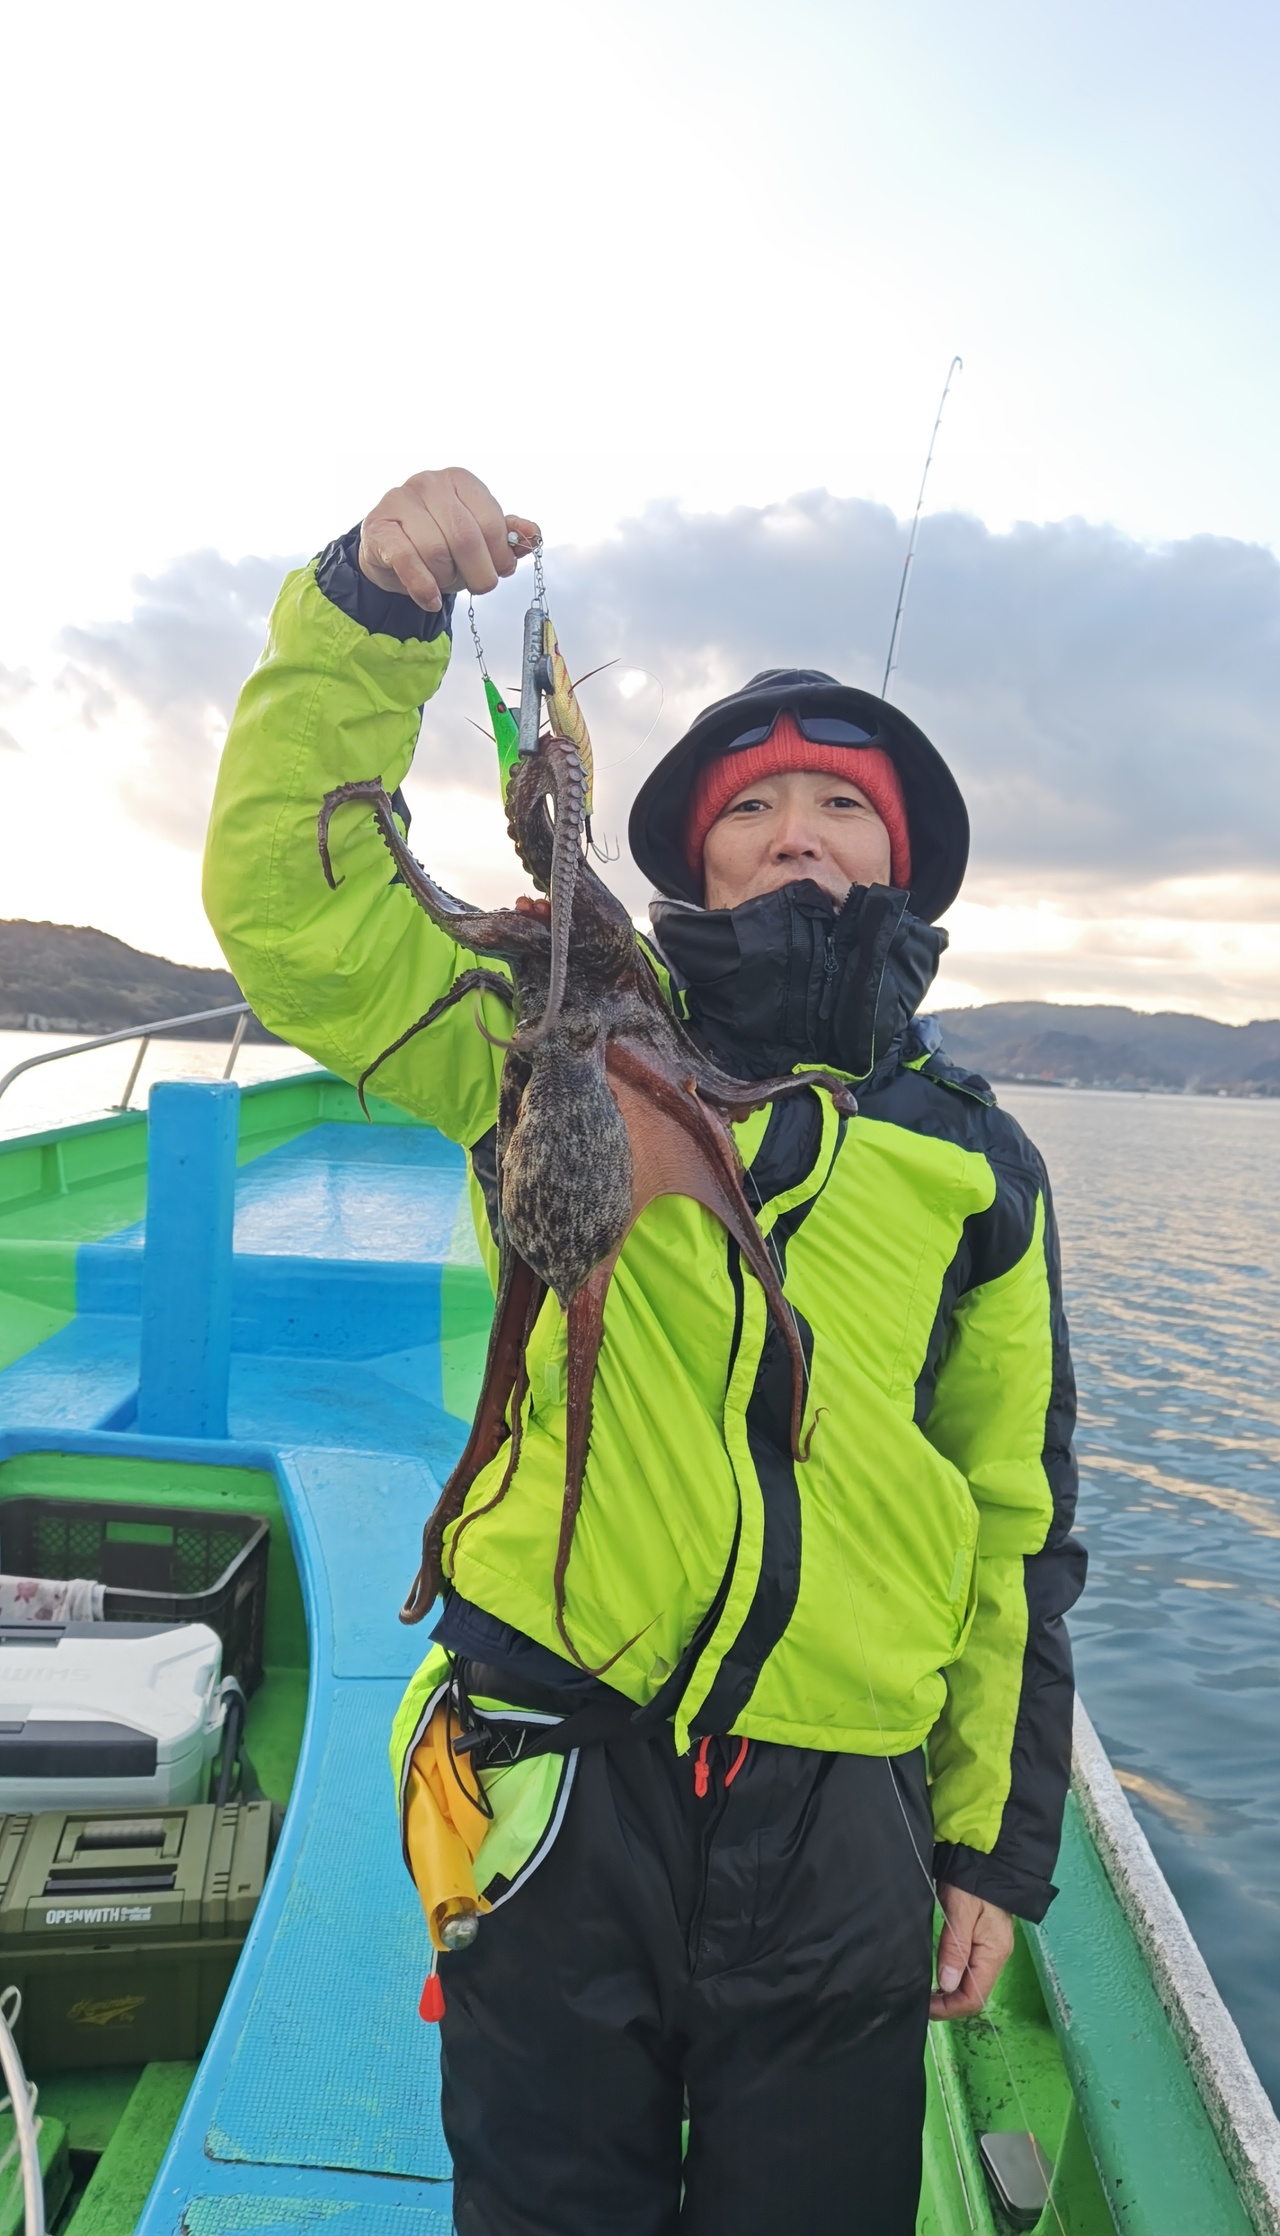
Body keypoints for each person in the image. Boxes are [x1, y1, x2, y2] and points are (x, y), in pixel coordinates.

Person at [204, 465, 1085, 2236]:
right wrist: (370, 616)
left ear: (903, 857)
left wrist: (988, 1843)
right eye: (754, 805)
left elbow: (1013, 1519)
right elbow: (295, 913)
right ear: (693, 854)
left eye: (842, 803)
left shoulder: (977, 1161)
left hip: (840, 1808)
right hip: (554, 1764)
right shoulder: (548, 1031)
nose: (798, 829)